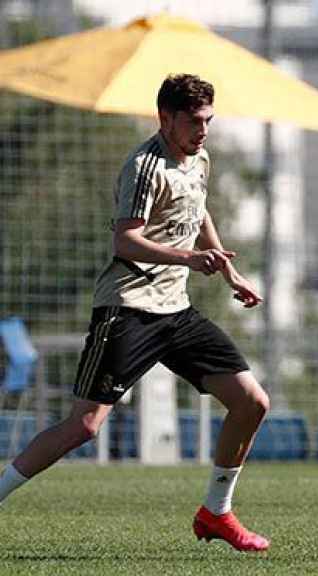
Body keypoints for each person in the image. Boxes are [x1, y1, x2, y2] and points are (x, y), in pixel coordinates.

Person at [0, 74, 271, 552]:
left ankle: (216, 512)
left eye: (208, 119)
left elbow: (198, 209)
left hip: (177, 311)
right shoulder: (145, 166)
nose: (203, 130)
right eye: (193, 121)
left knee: (252, 402)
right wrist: (189, 258)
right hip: (128, 309)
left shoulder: (200, 158)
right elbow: (125, 239)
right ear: (165, 118)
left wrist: (229, 272)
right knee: (83, 426)